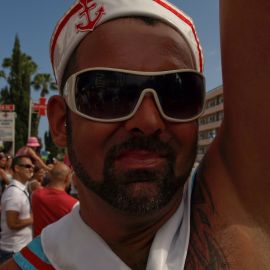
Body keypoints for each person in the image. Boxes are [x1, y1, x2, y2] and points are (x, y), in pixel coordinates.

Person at [1, 0, 270, 269]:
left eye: (176, 93)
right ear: (61, 123)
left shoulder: (240, 204)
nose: (148, 120)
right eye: (109, 93)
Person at [0, 155, 34, 264]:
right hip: (13, 251)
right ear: (17, 168)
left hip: (18, 249)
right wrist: (33, 218)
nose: (31, 169)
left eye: (32, 166)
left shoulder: (20, 189)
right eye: (27, 166)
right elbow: (12, 223)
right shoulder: (14, 193)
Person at [31, 162, 78, 237]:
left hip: (38, 245)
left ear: (49, 175)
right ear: (67, 178)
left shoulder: (36, 195)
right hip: (60, 246)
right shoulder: (74, 204)